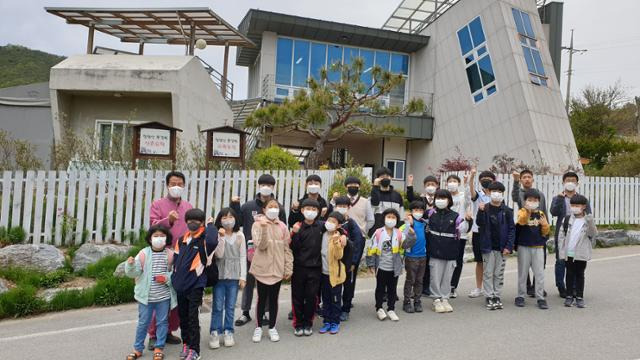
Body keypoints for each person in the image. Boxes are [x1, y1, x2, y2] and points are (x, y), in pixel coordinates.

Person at [230, 174, 287, 326]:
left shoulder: (278, 208)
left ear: (273, 187)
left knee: (268, 281)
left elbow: (283, 230)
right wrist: (234, 206)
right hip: (250, 250)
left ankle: (266, 312)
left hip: (271, 251)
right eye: (263, 184)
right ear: (259, 185)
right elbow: (236, 223)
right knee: (249, 281)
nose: (266, 187)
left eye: (269, 184)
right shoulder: (248, 206)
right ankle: (245, 312)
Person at [148, 171, 192, 348]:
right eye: (173, 183)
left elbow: (192, 227)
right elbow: (153, 227)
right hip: (163, 255)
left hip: (182, 255)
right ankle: (153, 334)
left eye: (180, 184)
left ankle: (169, 331)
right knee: (160, 295)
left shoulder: (188, 206)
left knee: (177, 293)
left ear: (184, 186)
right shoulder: (157, 204)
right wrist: (168, 220)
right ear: (167, 185)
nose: (176, 186)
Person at [172, 209, 218, 360]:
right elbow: (176, 262)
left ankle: (194, 350)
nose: (193, 223)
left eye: (197, 220)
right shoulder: (181, 240)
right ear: (186, 222)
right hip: (180, 286)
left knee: (193, 318)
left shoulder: (204, 240)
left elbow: (213, 241)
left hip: (196, 285)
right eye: (190, 220)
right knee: (183, 317)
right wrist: (174, 279)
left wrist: (211, 225)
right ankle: (186, 344)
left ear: (202, 223)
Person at [125, 225, 177, 360]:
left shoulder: (170, 254)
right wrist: (130, 265)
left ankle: (159, 347)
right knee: (143, 322)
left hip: (164, 297)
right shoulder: (143, 254)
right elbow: (134, 273)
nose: (158, 238)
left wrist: (167, 278)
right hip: (146, 297)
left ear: (167, 238)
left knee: (162, 322)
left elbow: (175, 273)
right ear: (150, 238)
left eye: (162, 236)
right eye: (155, 236)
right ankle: (137, 349)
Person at [250, 199, 293, 343]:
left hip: (278, 269)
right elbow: (260, 246)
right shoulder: (257, 224)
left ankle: (272, 327)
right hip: (262, 269)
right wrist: (263, 228)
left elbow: (287, 249)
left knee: (274, 299)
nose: (273, 209)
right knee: (261, 299)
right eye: (270, 206)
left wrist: (288, 267)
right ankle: (258, 328)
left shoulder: (282, 226)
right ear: (264, 209)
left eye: (276, 207)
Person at [366, 208, 416, 322]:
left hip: (394, 267)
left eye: (393, 217)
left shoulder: (399, 233)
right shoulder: (378, 232)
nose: (391, 219)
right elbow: (371, 249)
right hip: (381, 267)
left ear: (397, 220)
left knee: (392, 290)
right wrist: (370, 265)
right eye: (389, 217)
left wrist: (412, 235)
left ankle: (391, 309)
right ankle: (379, 308)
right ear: (384, 218)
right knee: (380, 289)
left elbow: (406, 245)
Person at [209, 208, 246, 350]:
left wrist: (243, 277)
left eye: (231, 217)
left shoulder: (240, 235)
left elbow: (243, 256)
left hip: (234, 276)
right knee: (217, 306)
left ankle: (228, 331)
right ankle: (214, 332)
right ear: (220, 219)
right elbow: (218, 255)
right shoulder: (218, 235)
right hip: (220, 275)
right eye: (224, 217)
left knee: (230, 306)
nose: (228, 220)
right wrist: (221, 237)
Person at [550, 171, 592, 298]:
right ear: (563, 182)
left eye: (573, 180)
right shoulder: (558, 198)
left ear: (577, 183)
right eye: (567, 180)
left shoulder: (582, 199)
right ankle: (561, 287)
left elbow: (588, 216)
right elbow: (553, 212)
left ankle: (573, 288)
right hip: (563, 234)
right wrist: (559, 199)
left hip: (578, 235)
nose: (570, 182)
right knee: (561, 260)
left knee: (575, 260)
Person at [427, 190, 469, 313]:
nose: (440, 200)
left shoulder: (455, 216)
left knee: (447, 277)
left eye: (443, 198)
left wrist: (468, 220)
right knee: (435, 277)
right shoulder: (430, 214)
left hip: (450, 252)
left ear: (449, 200)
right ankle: (436, 299)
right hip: (435, 251)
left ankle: (445, 298)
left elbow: (464, 229)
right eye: (438, 198)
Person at [476, 182, 515, 311]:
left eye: (499, 191)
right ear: (489, 192)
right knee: (488, 272)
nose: (496, 193)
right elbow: (479, 224)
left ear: (502, 194)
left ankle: (497, 295)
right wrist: (480, 211)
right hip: (488, 246)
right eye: (493, 191)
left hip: (502, 247)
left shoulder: (507, 211)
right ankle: (488, 295)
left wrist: (509, 246)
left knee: (499, 273)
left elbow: (511, 229)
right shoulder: (484, 208)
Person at [511, 169, 549, 296]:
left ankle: (537, 286)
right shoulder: (520, 194)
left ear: (533, 179)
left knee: (540, 264)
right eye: (524, 177)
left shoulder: (540, 194)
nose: (527, 179)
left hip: (539, 233)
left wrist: (546, 229)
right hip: (525, 231)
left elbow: (544, 211)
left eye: (529, 177)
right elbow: (514, 196)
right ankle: (526, 286)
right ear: (521, 180)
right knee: (524, 264)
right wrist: (516, 182)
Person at [290, 199, 324, 337]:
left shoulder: (322, 226)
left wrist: (342, 236)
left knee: (311, 297)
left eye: (314, 209)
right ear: (302, 210)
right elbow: (293, 248)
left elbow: (339, 228)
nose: (310, 212)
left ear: (318, 212)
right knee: (297, 296)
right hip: (299, 267)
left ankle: (308, 323)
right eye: (307, 208)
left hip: (315, 268)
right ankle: (298, 324)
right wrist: (296, 233)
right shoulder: (297, 227)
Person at [557, 195, 597, 308]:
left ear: (584, 206)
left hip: (581, 253)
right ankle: (569, 296)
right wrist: (561, 250)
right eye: (573, 205)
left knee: (580, 274)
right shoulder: (567, 219)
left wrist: (590, 221)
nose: (574, 207)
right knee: (569, 274)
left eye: (577, 205)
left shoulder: (587, 220)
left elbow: (593, 234)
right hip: (569, 252)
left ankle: (579, 297)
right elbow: (561, 236)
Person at [514, 190, 550, 310]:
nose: (532, 202)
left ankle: (540, 297)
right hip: (524, 246)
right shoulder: (522, 211)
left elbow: (545, 232)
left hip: (538, 247)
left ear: (539, 202)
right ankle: (520, 296)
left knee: (539, 273)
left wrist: (545, 225)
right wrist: (528, 211)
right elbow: (522, 222)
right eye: (529, 200)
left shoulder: (541, 214)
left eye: (535, 200)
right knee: (523, 273)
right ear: (525, 201)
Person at [333, 196, 366, 321]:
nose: (341, 209)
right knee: (333, 285)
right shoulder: (332, 222)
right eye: (339, 206)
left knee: (347, 285)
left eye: (344, 206)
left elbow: (358, 242)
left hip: (347, 261)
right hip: (334, 260)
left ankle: (345, 308)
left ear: (349, 207)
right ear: (335, 207)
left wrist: (354, 261)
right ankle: (333, 307)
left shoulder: (351, 223)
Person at [318, 212, 349, 335]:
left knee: (335, 299)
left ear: (338, 225)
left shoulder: (338, 236)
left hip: (335, 274)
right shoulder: (322, 234)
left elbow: (339, 256)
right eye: (329, 220)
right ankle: (326, 321)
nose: (330, 223)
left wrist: (337, 243)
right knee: (325, 299)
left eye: (333, 222)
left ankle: (335, 322)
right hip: (323, 273)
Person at [468, 169, 495, 298]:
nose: (486, 181)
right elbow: (471, 190)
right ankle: (479, 288)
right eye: (483, 179)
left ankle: (490, 287)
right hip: (477, 232)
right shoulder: (477, 195)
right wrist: (472, 177)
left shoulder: (496, 195)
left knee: (491, 261)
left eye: (489, 179)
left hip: (492, 233)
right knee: (479, 261)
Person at [447, 174, 473, 298]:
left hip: (460, 234)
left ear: (458, 183)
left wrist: (466, 183)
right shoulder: (444, 197)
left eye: (454, 181)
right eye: (450, 181)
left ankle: (453, 286)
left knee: (458, 261)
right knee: (446, 260)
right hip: (446, 233)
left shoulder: (463, 196)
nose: (452, 183)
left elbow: (469, 198)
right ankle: (444, 285)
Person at [400, 200, 428, 314]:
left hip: (423, 255)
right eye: (416, 210)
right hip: (411, 256)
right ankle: (406, 302)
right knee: (410, 279)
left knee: (419, 280)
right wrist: (409, 224)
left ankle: (417, 301)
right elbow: (403, 237)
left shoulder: (425, 223)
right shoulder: (408, 223)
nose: (418, 212)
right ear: (411, 211)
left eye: (421, 210)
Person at [370, 167, 405, 237]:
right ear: (378, 179)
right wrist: (375, 187)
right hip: (377, 233)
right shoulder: (374, 194)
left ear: (391, 178)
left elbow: (401, 215)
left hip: (394, 233)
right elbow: (374, 205)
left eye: (387, 176)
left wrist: (400, 231)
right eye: (382, 177)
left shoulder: (397, 195)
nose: (385, 178)